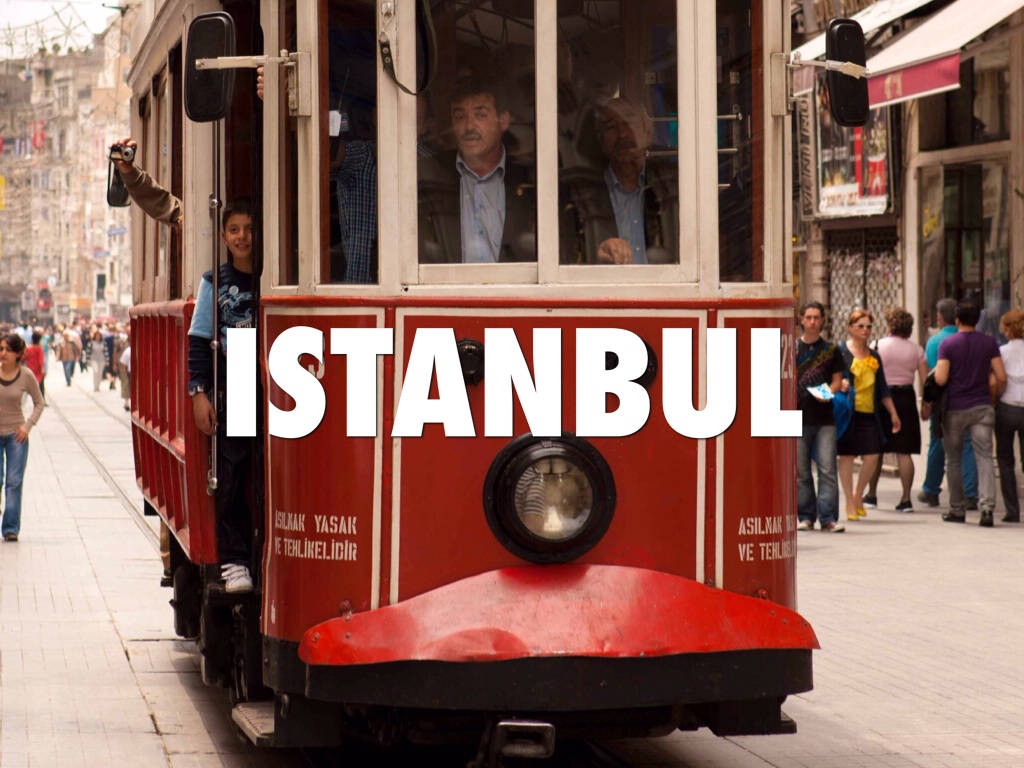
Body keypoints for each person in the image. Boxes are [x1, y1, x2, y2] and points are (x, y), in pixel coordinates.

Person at [187, 198, 256, 592]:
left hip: (275, 377)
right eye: (234, 230)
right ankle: (235, 562)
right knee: (232, 476)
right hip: (239, 373)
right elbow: (199, 340)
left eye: (249, 229)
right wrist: (199, 392)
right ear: (224, 236)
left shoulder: (272, 276)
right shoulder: (214, 282)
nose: (242, 237)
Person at [418, 75, 538, 264]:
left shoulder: (529, 180)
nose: (469, 126)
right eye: (460, 117)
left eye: (480, 115)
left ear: (503, 120)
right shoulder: (427, 174)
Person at [934, 299, 1006, 526]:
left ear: (956, 319)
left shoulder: (947, 344)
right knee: (984, 457)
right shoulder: (989, 343)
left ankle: (957, 509)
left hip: (954, 408)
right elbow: (1001, 376)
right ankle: (987, 509)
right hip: (982, 407)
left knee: (953, 460)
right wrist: (994, 398)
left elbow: (941, 378)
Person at [589, 97, 676, 265]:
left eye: (629, 122)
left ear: (648, 132)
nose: (622, 133)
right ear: (601, 141)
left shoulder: (673, 184)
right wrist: (599, 254)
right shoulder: (589, 193)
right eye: (611, 126)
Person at [837, 310, 901, 522]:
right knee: (847, 456)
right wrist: (839, 383)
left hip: (869, 413)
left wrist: (893, 413)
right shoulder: (841, 351)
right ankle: (849, 501)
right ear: (850, 328)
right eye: (860, 326)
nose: (865, 330)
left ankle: (858, 494)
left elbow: (882, 388)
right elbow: (830, 377)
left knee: (873, 454)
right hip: (848, 413)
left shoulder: (874, 356)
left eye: (868, 326)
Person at [863, 308, 927, 512]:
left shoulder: (877, 345)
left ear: (889, 324)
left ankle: (871, 495)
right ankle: (906, 499)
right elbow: (925, 381)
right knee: (904, 451)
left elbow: (867, 375)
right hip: (906, 398)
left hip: (881, 397)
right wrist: (926, 404)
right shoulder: (916, 350)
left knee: (876, 449)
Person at [918, 298, 977, 507]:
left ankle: (931, 489)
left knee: (937, 443)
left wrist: (926, 402)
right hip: (970, 398)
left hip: (942, 400)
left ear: (940, 318)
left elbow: (930, 376)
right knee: (967, 444)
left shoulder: (935, 341)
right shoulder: (972, 339)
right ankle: (970, 493)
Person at [795, 301, 845, 532]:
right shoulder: (792, 348)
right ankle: (806, 516)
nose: (813, 322)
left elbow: (837, 380)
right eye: (809, 317)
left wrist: (828, 393)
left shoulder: (831, 350)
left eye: (817, 317)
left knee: (827, 470)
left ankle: (828, 517)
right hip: (797, 417)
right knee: (801, 472)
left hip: (824, 418)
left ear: (823, 320)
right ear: (801, 319)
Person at [0, 334, 45, 542]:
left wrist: (27, 426)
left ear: (18, 353)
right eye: (1, 349)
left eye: (8, 350)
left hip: (16, 436)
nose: (3, 353)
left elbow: (39, 402)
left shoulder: (26, 375)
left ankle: (10, 528)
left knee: (14, 482)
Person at [996, 309, 1024, 523]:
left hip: (1006, 406)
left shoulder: (1002, 352)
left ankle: (1012, 511)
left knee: (1005, 460)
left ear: (1007, 330)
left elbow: (998, 378)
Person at [23, 332, 45, 404]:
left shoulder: (28, 348)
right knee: (41, 385)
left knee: (27, 384)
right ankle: (42, 399)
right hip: (37, 369)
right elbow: (41, 360)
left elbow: (24, 357)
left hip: (29, 368)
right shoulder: (39, 349)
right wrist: (42, 369)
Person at [86, 328, 109, 392]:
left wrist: (107, 360)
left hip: (102, 360)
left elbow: (106, 352)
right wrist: (87, 360)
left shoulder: (103, 343)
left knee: (100, 373)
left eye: (99, 336)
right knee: (95, 372)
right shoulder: (91, 343)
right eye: (96, 336)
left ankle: (98, 386)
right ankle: (95, 386)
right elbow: (88, 352)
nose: (97, 337)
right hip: (94, 360)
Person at [119, 335, 132, 412]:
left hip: (131, 372)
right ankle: (126, 403)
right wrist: (123, 372)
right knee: (127, 387)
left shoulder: (128, 350)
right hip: (130, 372)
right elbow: (123, 363)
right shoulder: (128, 351)